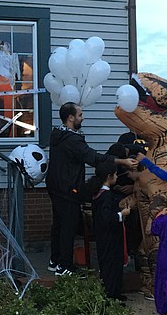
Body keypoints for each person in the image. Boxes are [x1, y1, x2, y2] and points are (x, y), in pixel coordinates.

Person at [46, 102, 137, 276]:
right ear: (71, 118)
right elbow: (93, 157)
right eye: (80, 115)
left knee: (58, 224)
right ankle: (64, 265)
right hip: (68, 188)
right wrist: (121, 161)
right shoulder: (72, 140)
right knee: (68, 226)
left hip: (55, 186)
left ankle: (54, 260)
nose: (83, 117)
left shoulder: (57, 134)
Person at [86, 161, 131, 301]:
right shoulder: (106, 196)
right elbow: (107, 218)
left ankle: (114, 292)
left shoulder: (98, 193)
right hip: (110, 236)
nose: (117, 177)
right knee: (112, 264)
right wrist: (122, 214)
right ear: (109, 176)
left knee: (109, 263)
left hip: (103, 235)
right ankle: (111, 294)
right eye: (115, 174)